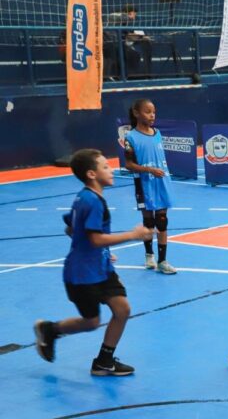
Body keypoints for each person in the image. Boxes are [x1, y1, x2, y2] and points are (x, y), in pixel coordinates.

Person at [33, 149, 153, 376]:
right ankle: (50, 329)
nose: (111, 170)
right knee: (91, 322)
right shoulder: (93, 201)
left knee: (122, 308)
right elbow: (95, 238)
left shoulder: (84, 197)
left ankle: (104, 361)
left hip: (100, 268)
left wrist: (100, 251)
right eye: (105, 167)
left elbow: (71, 228)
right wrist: (132, 235)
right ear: (91, 174)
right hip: (82, 275)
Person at [123, 98, 176, 274]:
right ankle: (149, 255)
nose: (152, 115)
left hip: (161, 182)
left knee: (162, 220)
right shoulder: (130, 137)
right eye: (148, 111)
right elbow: (129, 165)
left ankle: (163, 261)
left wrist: (159, 172)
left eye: (154, 112)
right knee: (149, 221)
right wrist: (149, 170)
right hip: (144, 183)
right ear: (137, 113)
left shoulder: (157, 133)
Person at [120, 4, 153, 77]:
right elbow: (128, 36)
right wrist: (142, 37)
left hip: (120, 44)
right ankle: (130, 75)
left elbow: (128, 33)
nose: (135, 17)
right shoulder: (124, 20)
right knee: (135, 54)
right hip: (119, 46)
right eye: (134, 14)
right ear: (130, 13)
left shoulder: (123, 20)